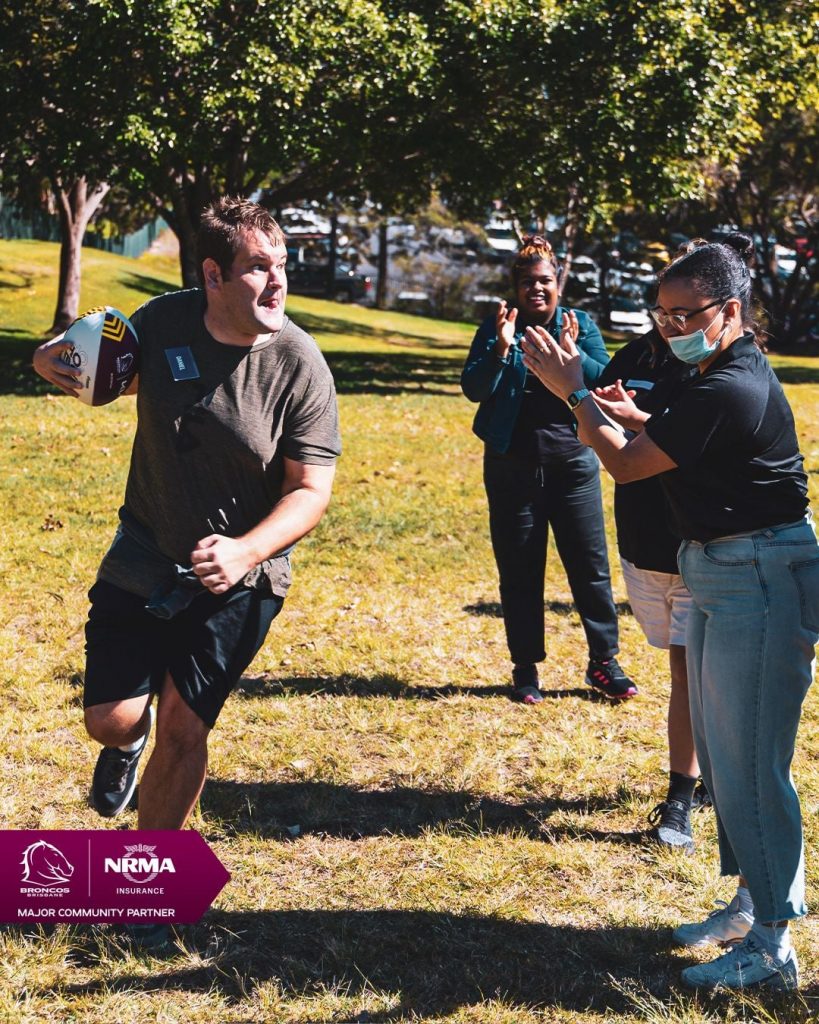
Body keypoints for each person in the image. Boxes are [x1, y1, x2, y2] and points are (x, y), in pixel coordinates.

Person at [33, 198, 341, 939]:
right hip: (144, 551)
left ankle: (141, 888)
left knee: (184, 729)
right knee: (113, 720)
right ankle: (124, 745)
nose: (277, 284)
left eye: (283, 269)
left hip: (240, 576)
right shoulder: (164, 321)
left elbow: (310, 490)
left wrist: (246, 551)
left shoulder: (299, 363)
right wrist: (62, 360)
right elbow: (75, 367)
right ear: (212, 275)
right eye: (258, 269)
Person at [521, 233, 818, 991]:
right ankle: (750, 906)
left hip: (759, 573)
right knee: (725, 758)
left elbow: (622, 464)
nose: (669, 329)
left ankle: (774, 946)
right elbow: (664, 430)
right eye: (660, 314)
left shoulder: (731, 385)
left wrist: (576, 392)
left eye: (687, 315)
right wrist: (630, 406)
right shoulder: (708, 374)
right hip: (717, 567)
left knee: (753, 766)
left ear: (730, 311)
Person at [461, 236, 636, 702]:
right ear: (516, 288)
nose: (536, 289)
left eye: (544, 281)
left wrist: (574, 356)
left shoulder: (580, 325)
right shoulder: (500, 326)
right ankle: (525, 670)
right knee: (519, 568)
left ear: (558, 282)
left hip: (573, 463)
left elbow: (606, 381)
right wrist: (500, 349)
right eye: (527, 283)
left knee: (590, 565)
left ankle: (604, 663)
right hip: (511, 465)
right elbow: (474, 388)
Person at [595, 332, 703, 851]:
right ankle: (700, 779)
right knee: (677, 661)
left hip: (696, 546)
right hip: (640, 541)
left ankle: (681, 797)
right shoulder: (637, 353)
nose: (669, 318)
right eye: (662, 306)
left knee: (689, 668)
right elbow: (594, 418)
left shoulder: (715, 364)